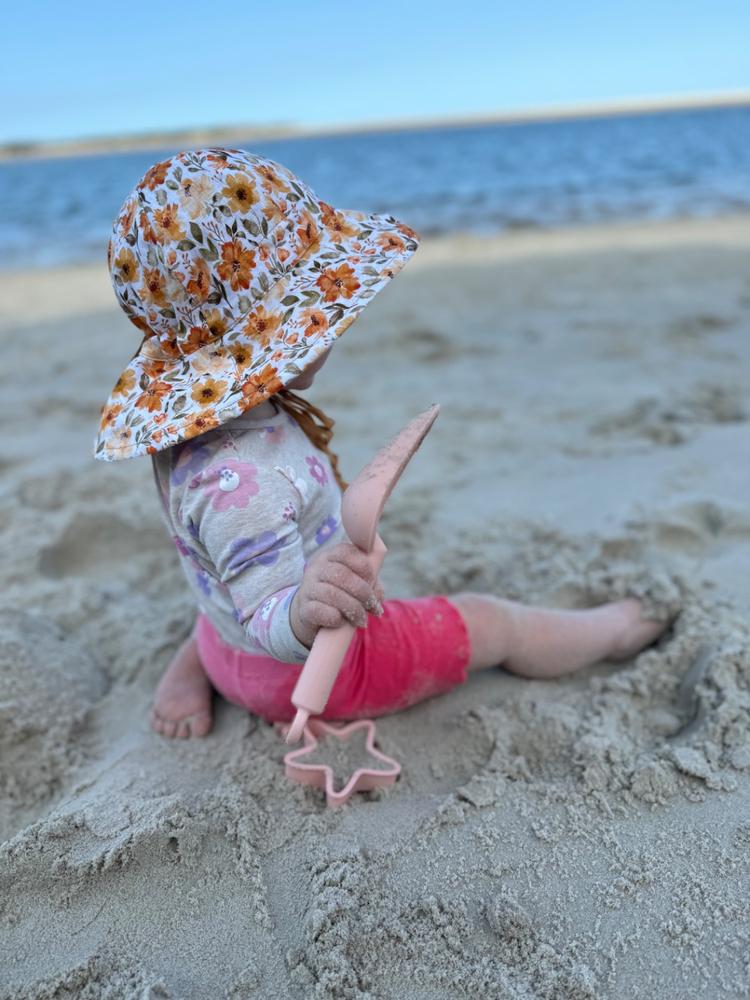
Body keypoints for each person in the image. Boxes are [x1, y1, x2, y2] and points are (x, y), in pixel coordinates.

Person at [94, 148, 669, 739]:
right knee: (491, 623)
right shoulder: (246, 481)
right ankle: (617, 629)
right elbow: (271, 615)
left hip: (226, 643)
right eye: (317, 312)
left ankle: (197, 665)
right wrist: (300, 610)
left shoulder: (197, 433)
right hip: (309, 672)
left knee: (232, 576)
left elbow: (232, 556)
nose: (336, 324)